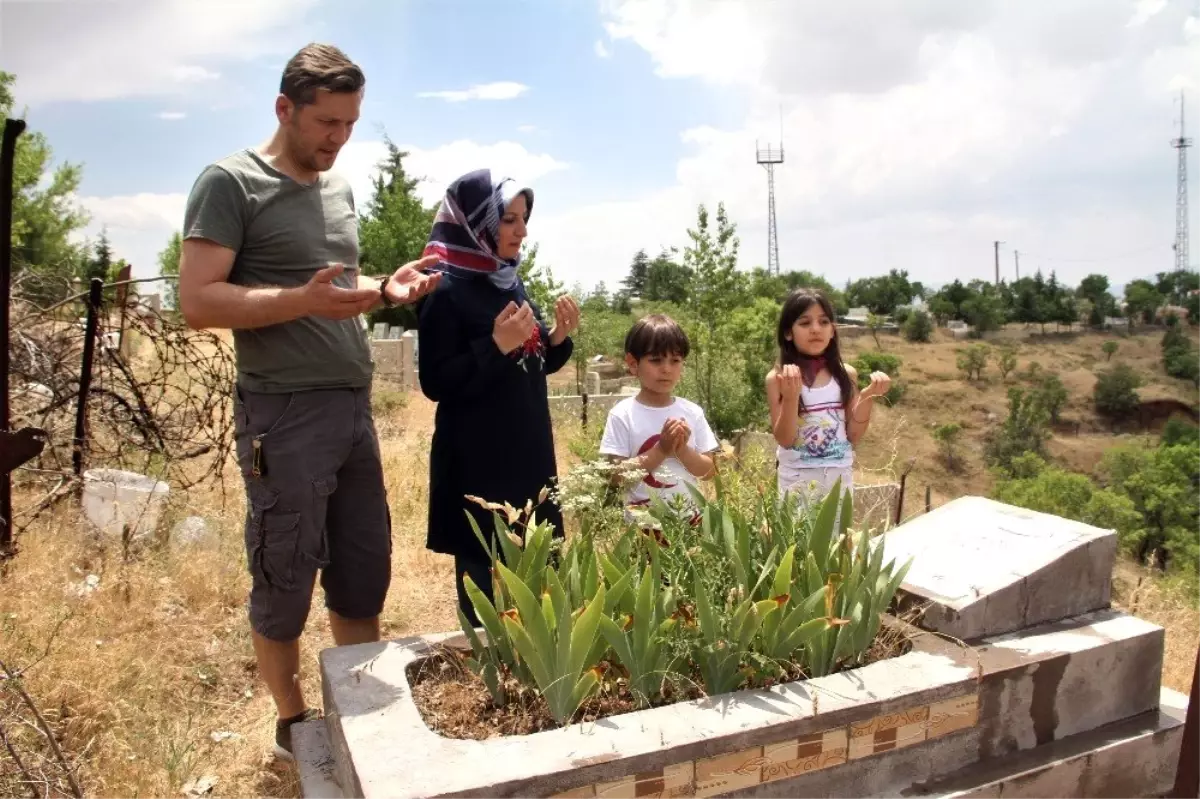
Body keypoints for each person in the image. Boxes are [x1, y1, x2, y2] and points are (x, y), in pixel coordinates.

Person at [176, 43, 440, 761]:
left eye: (350, 123)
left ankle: (358, 716)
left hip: (352, 409)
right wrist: (301, 301)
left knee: (362, 570)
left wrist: (388, 287)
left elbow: (334, 288)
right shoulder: (230, 183)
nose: (339, 138)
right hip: (282, 413)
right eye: (326, 122)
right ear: (284, 109)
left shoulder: (340, 188)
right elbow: (197, 300)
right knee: (285, 573)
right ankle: (293, 723)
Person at [415, 168, 579, 627]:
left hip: (528, 456)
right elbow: (436, 382)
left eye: (524, 219)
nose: (522, 231)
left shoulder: (507, 280)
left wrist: (557, 338)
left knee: (544, 585)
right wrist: (495, 346)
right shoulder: (444, 289)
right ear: (476, 223)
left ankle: (540, 678)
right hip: (479, 463)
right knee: (484, 590)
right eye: (509, 219)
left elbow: (532, 363)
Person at [766, 289, 891, 518]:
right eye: (805, 323)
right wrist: (792, 397)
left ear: (833, 330)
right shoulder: (778, 378)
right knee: (798, 548)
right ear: (787, 332)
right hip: (796, 483)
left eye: (824, 322)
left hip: (838, 482)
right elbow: (785, 439)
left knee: (836, 549)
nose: (815, 329)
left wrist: (868, 398)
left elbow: (853, 435)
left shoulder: (846, 375)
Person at [599, 314, 719, 524]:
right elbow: (615, 477)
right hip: (643, 526)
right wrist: (661, 450)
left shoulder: (692, 412)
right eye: (656, 360)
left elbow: (709, 472)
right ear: (633, 364)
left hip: (690, 523)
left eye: (675, 360)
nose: (666, 369)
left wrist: (682, 450)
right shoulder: (623, 414)